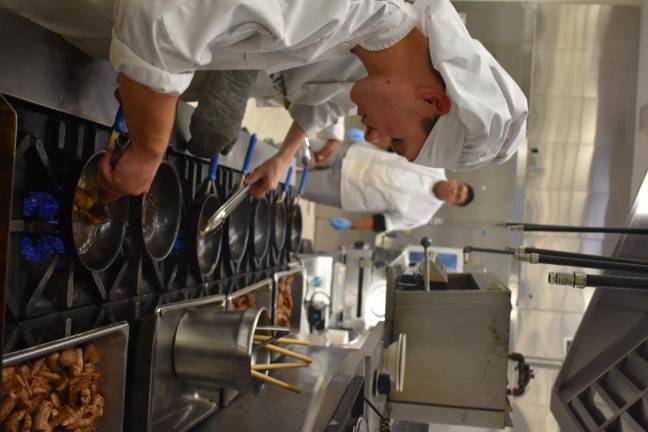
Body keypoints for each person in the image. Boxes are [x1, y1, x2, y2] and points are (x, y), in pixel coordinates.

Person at [1, 0, 527, 203]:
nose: (372, 139)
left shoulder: (362, 33)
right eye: (398, 140)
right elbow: (158, 16)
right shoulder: (347, 8)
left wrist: (151, 92)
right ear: (433, 98)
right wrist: (147, 149)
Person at [302, 140, 474, 233]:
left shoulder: (422, 215)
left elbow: (383, 222)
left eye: (457, 197)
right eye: (459, 188)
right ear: (456, 181)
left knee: (290, 181)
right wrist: (366, 137)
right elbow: (395, 147)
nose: (455, 191)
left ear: (452, 204)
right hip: (354, 154)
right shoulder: (432, 164)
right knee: (299, 149)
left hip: (344, 190)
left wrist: (351, 225)